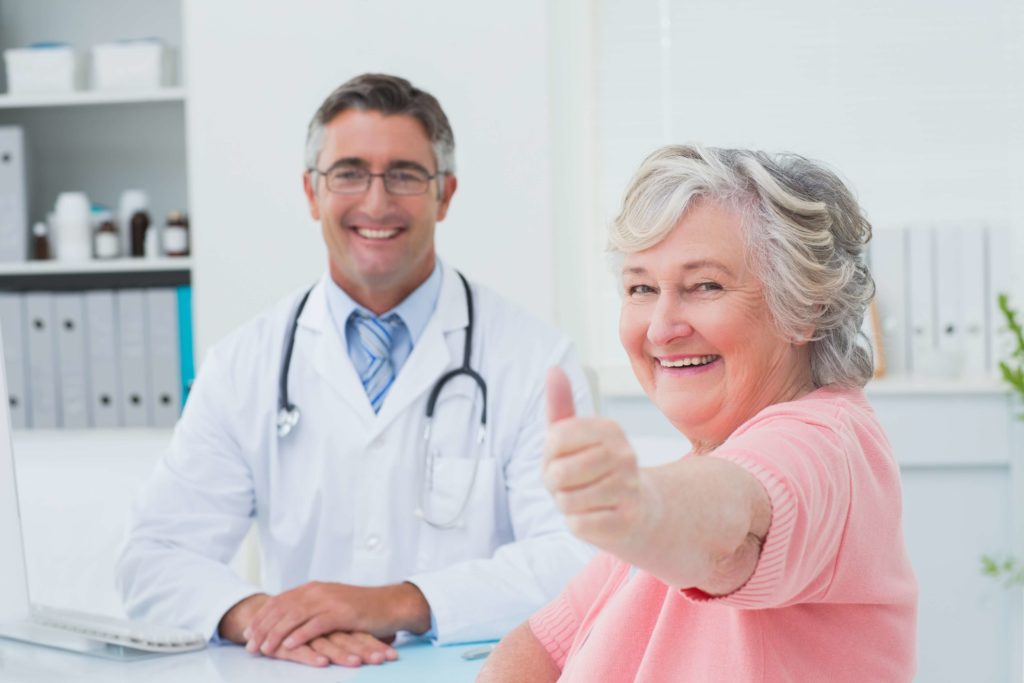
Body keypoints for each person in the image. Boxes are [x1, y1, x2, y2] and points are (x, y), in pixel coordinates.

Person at [115, 73, 594, 669]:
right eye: (348, 173)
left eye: (404, 174)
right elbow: (154, 557)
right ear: (312, 193)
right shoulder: (243, 364)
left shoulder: (534, 360)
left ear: (445, 194)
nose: (375, 201)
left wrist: (400, 601)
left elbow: (578, 558)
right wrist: (263, 617)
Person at [479, 145, 918, 681]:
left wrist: (635, 504)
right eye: (641, 287)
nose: (661, 328)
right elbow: (541, 644)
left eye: (705, 285)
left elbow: (730, 533)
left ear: (806, 309)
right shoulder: (709, 456)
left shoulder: (828, 445)